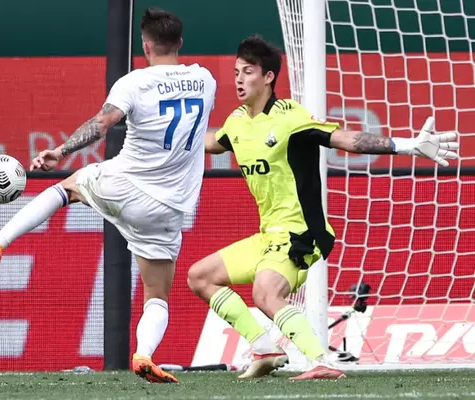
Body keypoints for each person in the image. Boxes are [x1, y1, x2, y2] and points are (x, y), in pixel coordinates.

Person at [0, 7, 217, 384]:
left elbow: (101, 124)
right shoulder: (205, 80)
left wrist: (61, 151)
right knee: (157, 295)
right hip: (170, 207)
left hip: (125, 183)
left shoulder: (133, 83)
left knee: (64, 189)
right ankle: (144, 354)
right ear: (180, 43)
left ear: (145, 45)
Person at [187, 34, 458, 380]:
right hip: (268, 236)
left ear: (268, 77)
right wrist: (171, 136)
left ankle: (322, 361)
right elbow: (215, 142)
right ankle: (264, 348)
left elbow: (345, 138)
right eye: (237, 72)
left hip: (301, 232)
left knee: (265, 293)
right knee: (200, 276)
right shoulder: (237, 120)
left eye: (248, 72)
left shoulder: (290, 117)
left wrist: (405, 145)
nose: (239, 79)